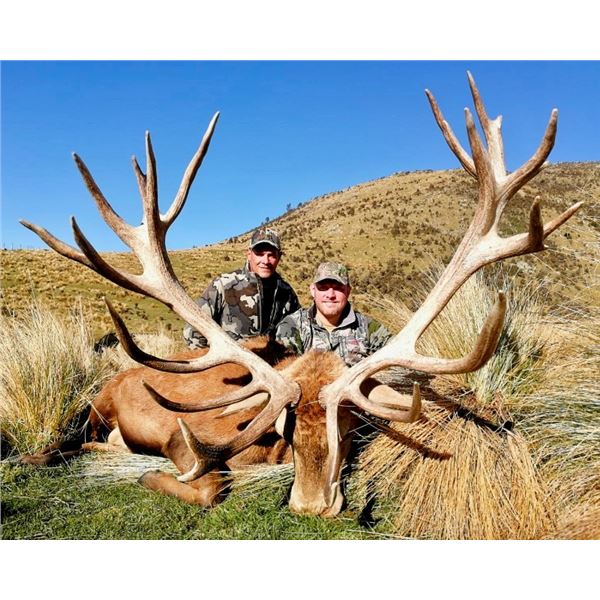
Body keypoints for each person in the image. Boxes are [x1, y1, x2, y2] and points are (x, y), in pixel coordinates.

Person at [183, 228, 300, 348]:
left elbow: (298, 330)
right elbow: (194, 327)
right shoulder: (224, 285)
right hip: (229, 358)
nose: (265, 261)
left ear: (279, 257)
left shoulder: (286, 293)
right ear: (249, 254)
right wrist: (209, 358)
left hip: (270, 359)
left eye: (271, 255)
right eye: (260, 254)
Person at [275, 261, 391, 367]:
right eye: (323, 288)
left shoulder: (368, 328)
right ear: (313, 290)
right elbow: (285, 371)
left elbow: (396, 353)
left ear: (348, 291)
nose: (330, 295)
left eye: (338, 288)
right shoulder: (291, 326)